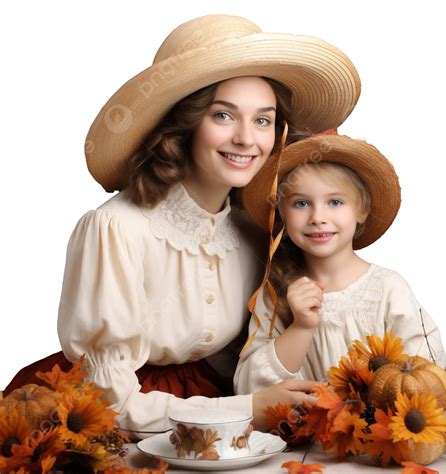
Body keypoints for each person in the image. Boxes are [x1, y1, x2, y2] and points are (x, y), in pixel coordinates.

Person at [3, 15, 361, 433]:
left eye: (263, 120)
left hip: (212, 407)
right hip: (110, 419)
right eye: (224, 116)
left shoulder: (250, 230)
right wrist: (244, 408)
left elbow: (243, 361)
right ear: (184, 123)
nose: (247, 139)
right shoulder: (115, 229)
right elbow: (107, 401)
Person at [235, 131, 446, 395]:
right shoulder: (276, 294)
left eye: (335, 202)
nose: (318, 217)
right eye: (301, 203)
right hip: (302, 433)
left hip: (381, 431)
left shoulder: (387, 289)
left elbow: (427, 375)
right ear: (281, 214)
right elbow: (249, 388)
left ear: (362, 210)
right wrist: (301, 327)